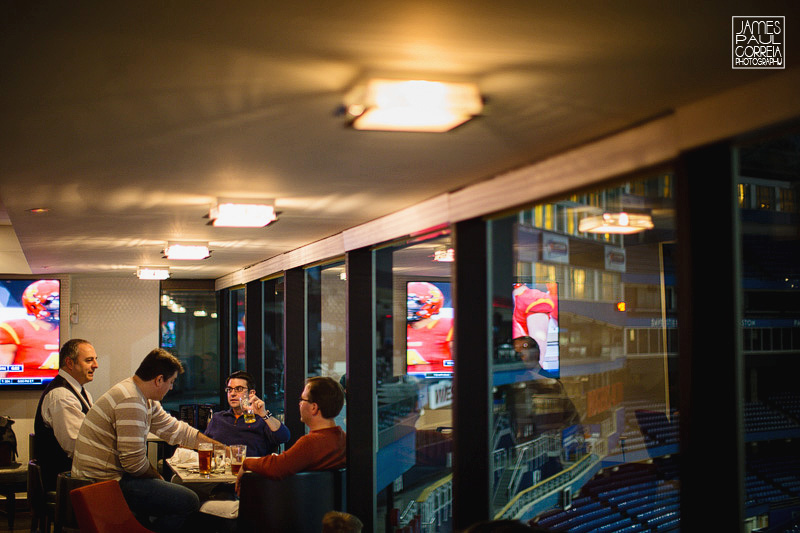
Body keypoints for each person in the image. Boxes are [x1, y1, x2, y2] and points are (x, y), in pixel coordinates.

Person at [72, 348, 224, 533]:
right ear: (159, 379)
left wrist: (222, 449)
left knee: (174, 492)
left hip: (111, 478)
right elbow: (133, 464)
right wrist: (157, 477)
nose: (172, 388)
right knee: (188, 500)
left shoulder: (143, 397)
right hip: (101, 483)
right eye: (171, 382)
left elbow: (178, 431)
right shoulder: (131, 400)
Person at [235, 376, 345, 490]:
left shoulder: (311, 443)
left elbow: (276, 467)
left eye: (302, 400)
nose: (299, 404)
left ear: (314, 407)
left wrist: (246, 463)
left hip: (296, 506)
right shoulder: (342, 438)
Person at [33, 338, 98, 490]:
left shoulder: (81, 392)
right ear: (69, 363)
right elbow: (77, 446)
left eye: (95, 359)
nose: (95, 365)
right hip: (64, 481)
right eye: (89, 360)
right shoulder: (61, 395)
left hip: (75, 475)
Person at [204, 370, 290, 457]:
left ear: (251, 393)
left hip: (250, 469)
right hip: (220, 468)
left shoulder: (261, 420)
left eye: (239, 389)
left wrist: (264, 414)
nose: (233, 394)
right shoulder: (218, 418)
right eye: (229, 389)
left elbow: (284, 437)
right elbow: (203, 446)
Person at [0, 279, 60, 379]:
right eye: (54, 303)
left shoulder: (67, 330)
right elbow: (1, 374)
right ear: (34, 304)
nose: (58, 307)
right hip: (20, 392)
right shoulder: (14, 329)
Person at [406, 281, 454, 374]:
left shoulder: (448, 326)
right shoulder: (400, 329)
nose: (405, 307)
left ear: (431, 304)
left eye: (411, 303)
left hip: (440, 384)